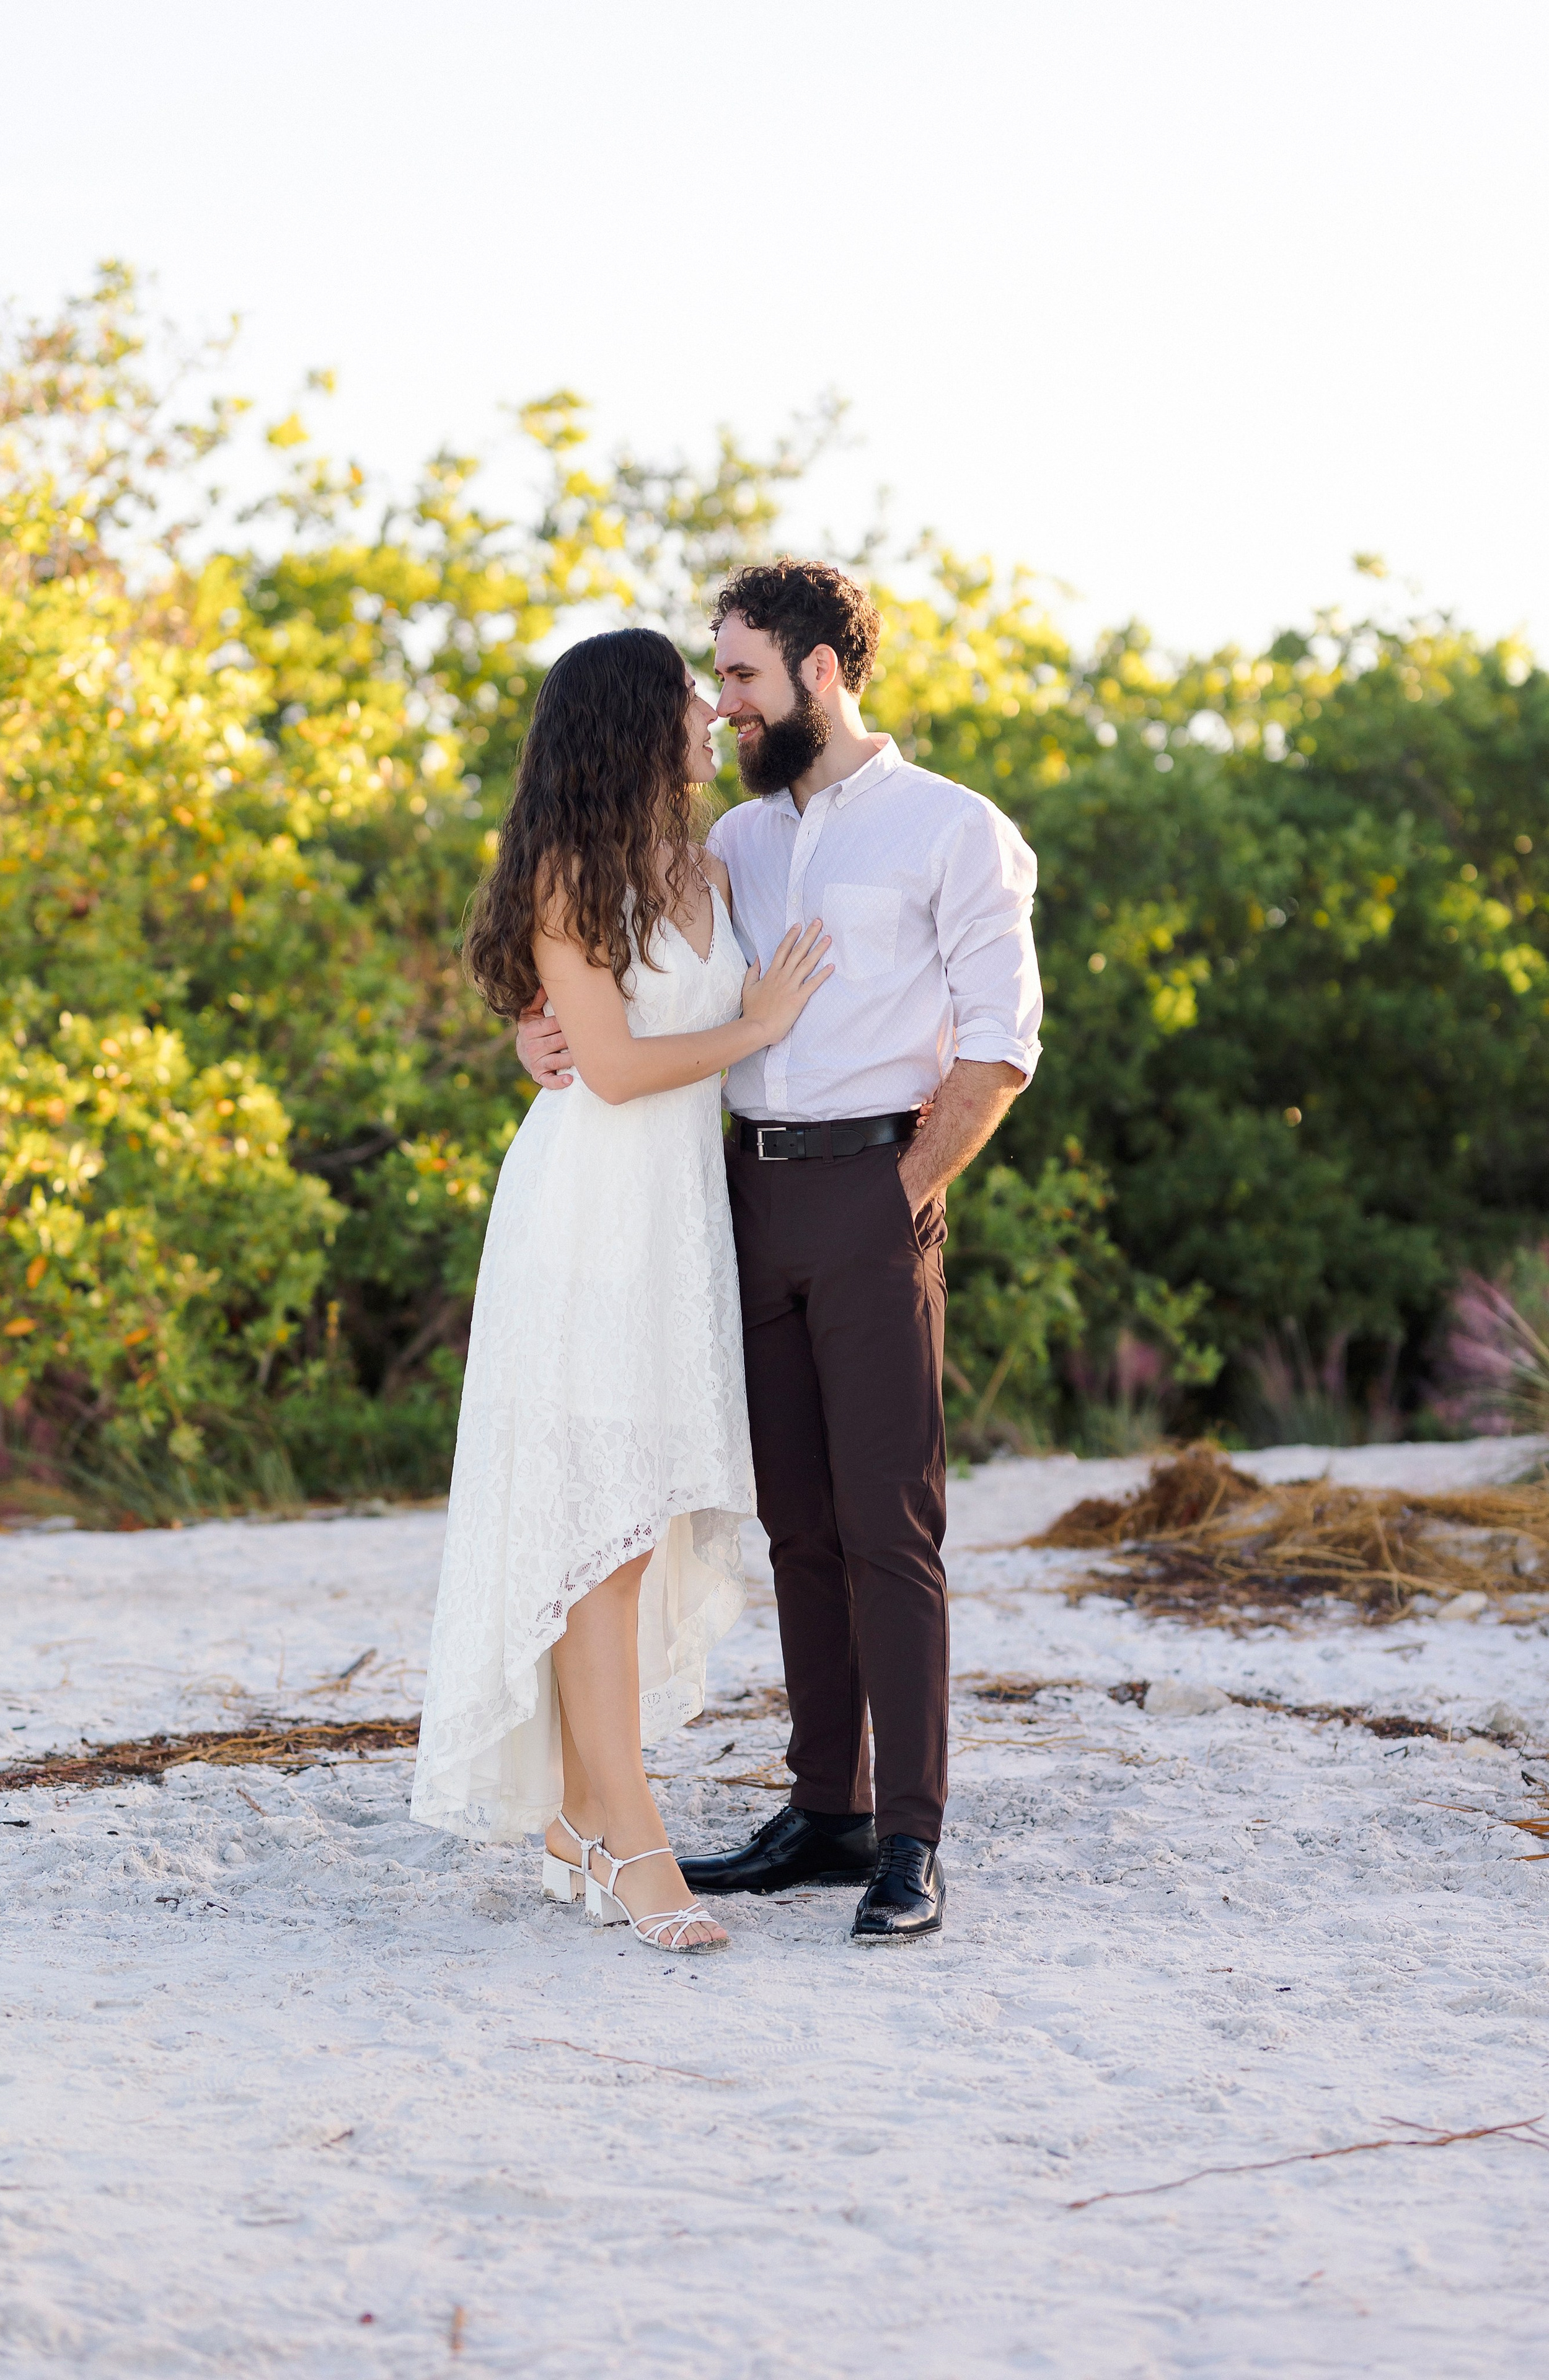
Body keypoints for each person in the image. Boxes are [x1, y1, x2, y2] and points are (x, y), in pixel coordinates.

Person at [518, 562, 1043, 1943]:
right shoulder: (731, 843)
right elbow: (608, 966)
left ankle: (908, 1838)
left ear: (818, 671)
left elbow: (997, 1051)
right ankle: (825, 1807)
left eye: (740, 676)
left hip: (872, 1191)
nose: (723, 704)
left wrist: (903, 1194)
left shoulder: (952, 829)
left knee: (890, 1525)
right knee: (794, 1523)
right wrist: (536, 1033)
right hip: (732, 1202)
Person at [410, 626, 832, 1955]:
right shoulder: (567, 870)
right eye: (690, 704)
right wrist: (754, 1027)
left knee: (633, 1531)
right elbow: (606, 1067)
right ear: (631, 726)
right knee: (596, 1537)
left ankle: (581, 1818)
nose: (711, 718)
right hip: (586, 1220)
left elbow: (600, 1041)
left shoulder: (704, 863)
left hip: (673, 1225)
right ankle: (634, 1844)